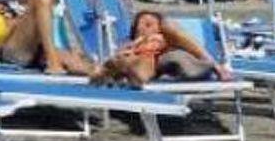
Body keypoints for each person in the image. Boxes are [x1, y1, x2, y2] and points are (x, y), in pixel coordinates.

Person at [90, 9, 231, 87]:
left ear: (160, 28)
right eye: (140, 25)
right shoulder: (131, 44)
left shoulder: (169, 36)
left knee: (174, 58)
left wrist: (216, 66)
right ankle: (129, 73)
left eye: (149, 24)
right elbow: (122, 52)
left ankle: (133, 74)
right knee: (128, 59)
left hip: (177, 61)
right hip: (151, 65)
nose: (143, 28)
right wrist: (132, 48)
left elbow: (182, 38)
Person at [0, 0, 95, 75]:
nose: (4, 12)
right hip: (6, 51)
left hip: (35, 50)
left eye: (5, 10)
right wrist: (12, 22)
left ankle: (100, 72)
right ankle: (53, 63)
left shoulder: (16, 11)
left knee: (75, 62)